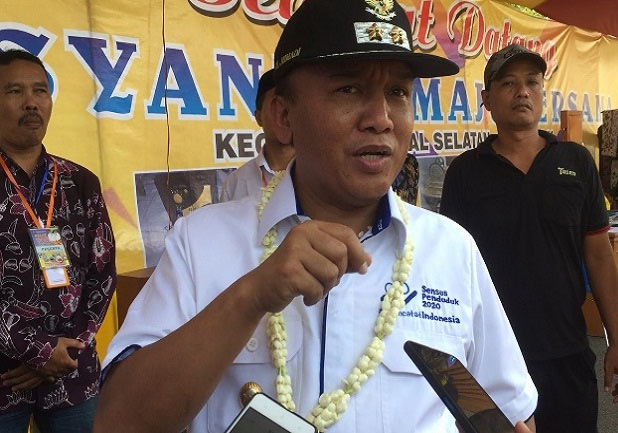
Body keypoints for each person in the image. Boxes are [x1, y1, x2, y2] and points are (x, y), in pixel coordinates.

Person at [95, 2, 538, 432]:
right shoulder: (200, 244)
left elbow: (511, 411)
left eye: (398, 92)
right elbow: (119, 422)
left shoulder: (452, 249)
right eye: (349, 89)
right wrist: (250, 297)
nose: (381, 119)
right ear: (283, 116)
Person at [440, 44, 618, 433]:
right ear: (487, 100)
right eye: (508, 83)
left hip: (567, 351)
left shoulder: (576, 162)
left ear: (543, 93)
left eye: (532, 82)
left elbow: (599, 255)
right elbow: (450, 271)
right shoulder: (464, 173)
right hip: (492, 357)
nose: (522, 92)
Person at [0, 49, 116, 432]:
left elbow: (102, 275)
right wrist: (37, 351)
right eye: (14, 91)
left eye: (40, 90)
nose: (31, 102)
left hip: (72, 373)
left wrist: (65, 350)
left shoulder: (80, 182)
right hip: (5, 378)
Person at [220, 69, 295, 202]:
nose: (284, 115)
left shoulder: (321, 174)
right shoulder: (235, 184)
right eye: (276, 106)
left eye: (290, 104)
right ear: (259, 118)